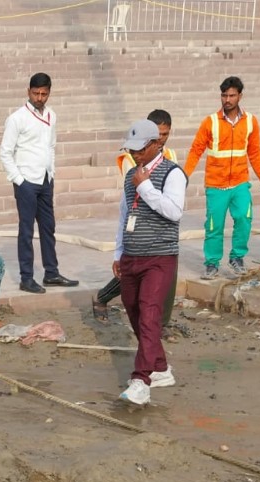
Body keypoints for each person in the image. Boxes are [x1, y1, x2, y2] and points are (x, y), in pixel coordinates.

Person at [115, 120, 186, 406]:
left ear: (156, 144)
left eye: (140, 149)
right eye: (131, 150)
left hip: (159, 256)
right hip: (132, 254)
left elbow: (174, 211)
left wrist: (145, 186)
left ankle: (140, 381)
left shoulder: (172, 173)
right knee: (133, 310)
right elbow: (124, 215)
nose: (135, 155)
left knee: (149, 314)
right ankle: (160, 368)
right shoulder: (130, 175)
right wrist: (118, 252)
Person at [183, 76, 260, 280]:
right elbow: (196, 150)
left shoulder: (250, 121)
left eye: (232, 95)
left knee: (244, 218)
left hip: (240, 183)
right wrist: (184, 176)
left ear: (240, 96)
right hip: (216, 185)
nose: (227, 99)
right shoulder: (210, 122)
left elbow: (254, 152)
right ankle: (212, 263)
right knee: (214, 226)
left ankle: (237, 258)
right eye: (224, 95)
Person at [93, 109, 178, 326]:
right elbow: (130, 200)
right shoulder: (133, 157)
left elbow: (173, 202)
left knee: (163, 279)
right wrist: (119, 250)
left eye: (165, 134)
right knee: (131, 275)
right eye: (158, 134)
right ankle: (103, 297)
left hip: (163, 229)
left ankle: (160, 324)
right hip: (139, 224)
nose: (161, 139)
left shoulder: (170, 158)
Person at [0, 72, 77, 294]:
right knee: (26, 230)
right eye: (36, 93)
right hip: (26, 181)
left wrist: (51, 172)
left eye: (44, 94)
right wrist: (19, 181)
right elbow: (5, 153)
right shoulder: (17, 118)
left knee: (48, 227)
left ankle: (51, 272)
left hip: (45, 179)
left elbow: (51, 146)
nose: (39, 98)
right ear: (28, 92)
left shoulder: (52, 115)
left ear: (49, 93)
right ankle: (26, 278)